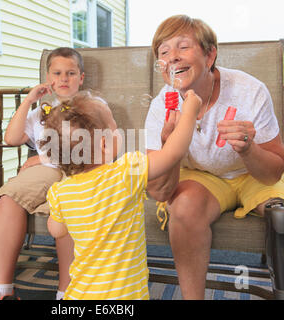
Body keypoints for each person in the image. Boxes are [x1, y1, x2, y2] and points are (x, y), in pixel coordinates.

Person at [145, 15, 284, 299]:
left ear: (209, 55)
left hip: (253, 173)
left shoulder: (248, 91)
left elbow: (273, 172)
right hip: (203, 178)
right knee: (182, 208)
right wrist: (170, 145)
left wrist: (249, 149)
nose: (173, 58)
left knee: (279, 214)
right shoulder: (162, 107)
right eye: (164, 51)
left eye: (183, 47)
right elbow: (158, 191)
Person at [43, 90, 201, 299]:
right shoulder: (127, 172)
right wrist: (190, 111)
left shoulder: (59, 192)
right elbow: (173, 153)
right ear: (104, 143)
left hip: (79, 294)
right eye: (115, 128)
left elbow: (56, 230)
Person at [0, 47, 85, 300]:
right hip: (47, 171)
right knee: (9, 197)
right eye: (57, 73)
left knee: (68, 207)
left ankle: (66, 294)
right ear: (48, 77)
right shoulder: (41, 110)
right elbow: (11, 139)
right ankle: (1, 291)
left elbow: (88, 147)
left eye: (71, 73)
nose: (64, 78)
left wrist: (40, 158)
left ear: (81, 78)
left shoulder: (90, 106)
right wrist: (29, 101)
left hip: (78, 171)